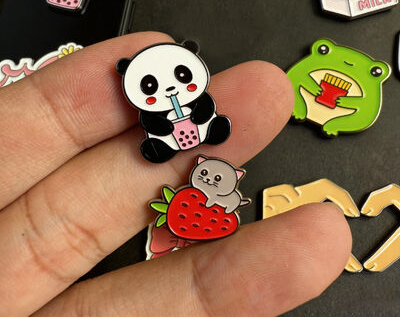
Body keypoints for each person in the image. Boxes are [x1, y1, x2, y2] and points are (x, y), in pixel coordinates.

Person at [0, 32, 351, 316]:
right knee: (159, 143)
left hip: (200, 127)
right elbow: (151, 120)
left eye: (182, 77)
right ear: (129, 76)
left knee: (216, 122)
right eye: (150, 86)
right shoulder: (147, 113)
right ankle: (162, 148)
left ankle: (210, 131)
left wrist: (199, 119)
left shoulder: (201, 99)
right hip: (168, 137)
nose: (170, 88)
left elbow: (205, 104)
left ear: (191, 58)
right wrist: (164, 129)